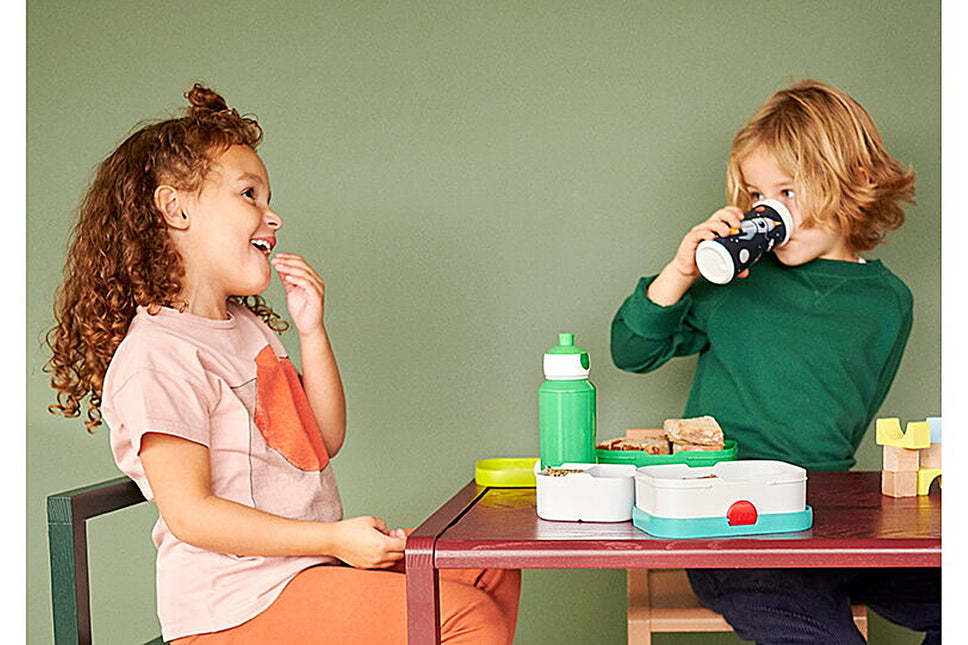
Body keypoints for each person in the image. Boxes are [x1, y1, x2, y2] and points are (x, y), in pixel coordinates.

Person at [45, 84, 520, 644]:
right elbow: (190, 515)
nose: (273, 216)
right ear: (176, 209)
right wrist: (333, 540)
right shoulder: (158, 355)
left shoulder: (245, 328)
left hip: (303, 573)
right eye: (249, 194)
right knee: (462, 617)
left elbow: (322, 437)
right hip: (235, 606)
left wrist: (311, 329)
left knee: (487, 560)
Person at [610, 79, 940, 644]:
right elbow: (632, 351)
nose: (767, 210)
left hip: (831, 521)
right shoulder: (735, 283)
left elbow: (841, 422)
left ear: (856, 180)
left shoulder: (888, 304)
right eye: (757, 194)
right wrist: (682, 271)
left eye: (787, 192)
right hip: (732, 523)